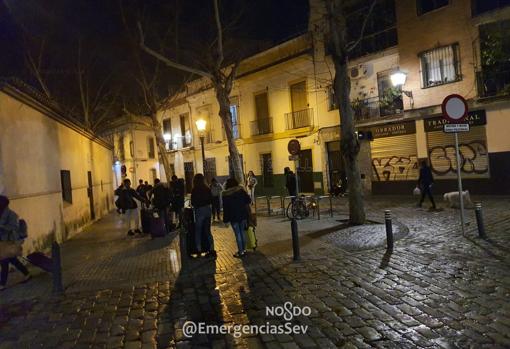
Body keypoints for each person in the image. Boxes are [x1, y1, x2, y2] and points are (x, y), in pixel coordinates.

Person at [0, 195, 30, 290]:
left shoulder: (11, 215)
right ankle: (27, 273)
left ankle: (2, 284)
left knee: (4, 262)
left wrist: (1, 226)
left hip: (9, 241)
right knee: (13, 260)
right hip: (2, 242)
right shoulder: (1, 214)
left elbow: (13, 228)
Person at [222, 178, 251, 258]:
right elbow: (248, 200)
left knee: (237, 233)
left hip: (233, 216)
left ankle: (240, 251)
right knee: (242, 232)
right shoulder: (241, 190)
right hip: (242, 214)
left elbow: (226, 208)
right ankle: (244, 250)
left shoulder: (225, 194)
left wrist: (225, 220)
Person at [190, 174, 216, 257]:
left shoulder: (194, 190)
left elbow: (193, 202)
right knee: (208, 231)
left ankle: (199, 249)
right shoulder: (207, 188)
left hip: (199, 211)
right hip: (207, 210)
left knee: (198, 231)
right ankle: (212, 249)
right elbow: (211, 200)